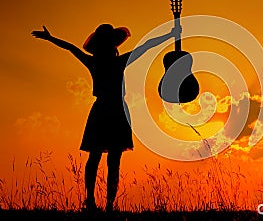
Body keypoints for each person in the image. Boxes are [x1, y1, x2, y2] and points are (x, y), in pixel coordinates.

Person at [31, 23, 181, 212]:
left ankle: (95, 201)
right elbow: (146, 47)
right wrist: (169, 36)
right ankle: (104, 203)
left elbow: (71, 48)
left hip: (103, 109)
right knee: (111, 159)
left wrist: (51, 38)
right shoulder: (116, 62)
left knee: (98, 157)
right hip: (115, 109)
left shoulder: (94, 62)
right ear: (111, 45)